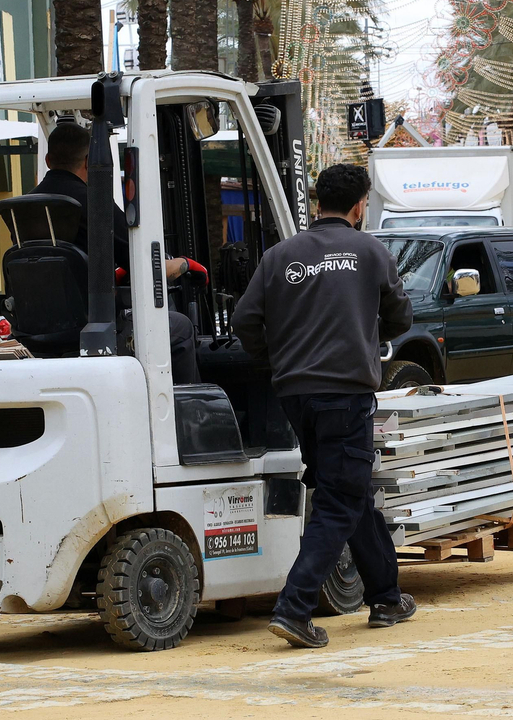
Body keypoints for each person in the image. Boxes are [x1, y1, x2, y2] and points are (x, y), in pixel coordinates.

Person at [231, 163, 416, 648]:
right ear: (359, 206)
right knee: (339, 499)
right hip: (346, 394)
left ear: (318, 202)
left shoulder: (279, 255)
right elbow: (400, 317)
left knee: (348, 491)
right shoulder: (371, 252)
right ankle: (294, 609)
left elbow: (245, 319)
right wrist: (361, 332)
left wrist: (275, 358)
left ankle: (387, 596)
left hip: (296, 395)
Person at [31, 121, 200, 383]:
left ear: (48, 159)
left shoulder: (26, 206)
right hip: (90, 329)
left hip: (36, 330)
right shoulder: (92, 202)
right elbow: (142, 263)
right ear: (88, 162)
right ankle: (189, 416)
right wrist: (182, 264)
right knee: (179, 328)